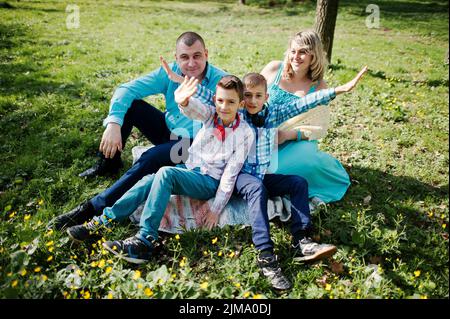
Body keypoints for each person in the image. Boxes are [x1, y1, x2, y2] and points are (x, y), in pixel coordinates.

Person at [171, 64, 367, 290]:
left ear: (266, 97)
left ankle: (301, 240)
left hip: (260, 175)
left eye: (258, 96)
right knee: (256, 188)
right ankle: (266, 256)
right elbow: (210, 95)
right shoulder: (239, 111)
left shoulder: (273, 114)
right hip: (237, 176)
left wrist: (339, 90)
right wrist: (180, 80)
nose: (252, 101)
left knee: (297, 183)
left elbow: (304, 103)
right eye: (248, 96)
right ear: (242, 98)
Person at [65, 76, 254, 264]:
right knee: (150, 180)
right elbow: (196, 109)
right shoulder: (211, 115)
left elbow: (231, 173)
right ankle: (102, 222)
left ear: (241, 104)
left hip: (208, 181)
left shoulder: (245, 133)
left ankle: (145, 240)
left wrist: (216, 208)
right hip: (189, 169)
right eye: (220, 100)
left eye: (231, 102)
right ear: (215, 100)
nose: (224, 106)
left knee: (166, 173)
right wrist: (184, 101)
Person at [48, 32, 227, 231]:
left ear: (206, 54)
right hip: (170, 131)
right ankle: (109, 163)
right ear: (176, 58)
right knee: (131, 105)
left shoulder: (221, 80)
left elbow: (236, 113)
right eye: (185, 57)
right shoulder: (170, 72)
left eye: (197, 56)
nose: (191, 63)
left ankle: (94, 207)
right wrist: (114, 124)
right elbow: (126, 89)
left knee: (151, 157)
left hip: (195, 145)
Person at [262, 29, 352, 204]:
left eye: (303, 52)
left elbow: (317, 127)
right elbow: (249, 94)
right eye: (293, 51)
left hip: (294, 141)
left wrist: (285, 136)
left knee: (280, 171)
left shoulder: (318, 86)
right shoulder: (274, 69)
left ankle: (324, 168)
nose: (296, 57)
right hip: (263, 134)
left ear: (313, 56)